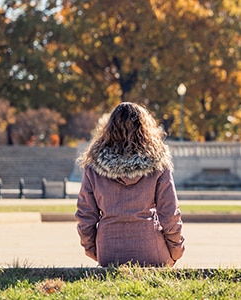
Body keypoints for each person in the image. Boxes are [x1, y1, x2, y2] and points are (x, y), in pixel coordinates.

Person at [75, 102, 185, 267]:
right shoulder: (158, 164)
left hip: (108, 249)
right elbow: (169, 214)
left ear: (109, 129)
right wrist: (176, 250)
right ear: (145, 129)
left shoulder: (94, 166)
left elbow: (86, 215)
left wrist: (92, 248)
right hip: (151, 248)